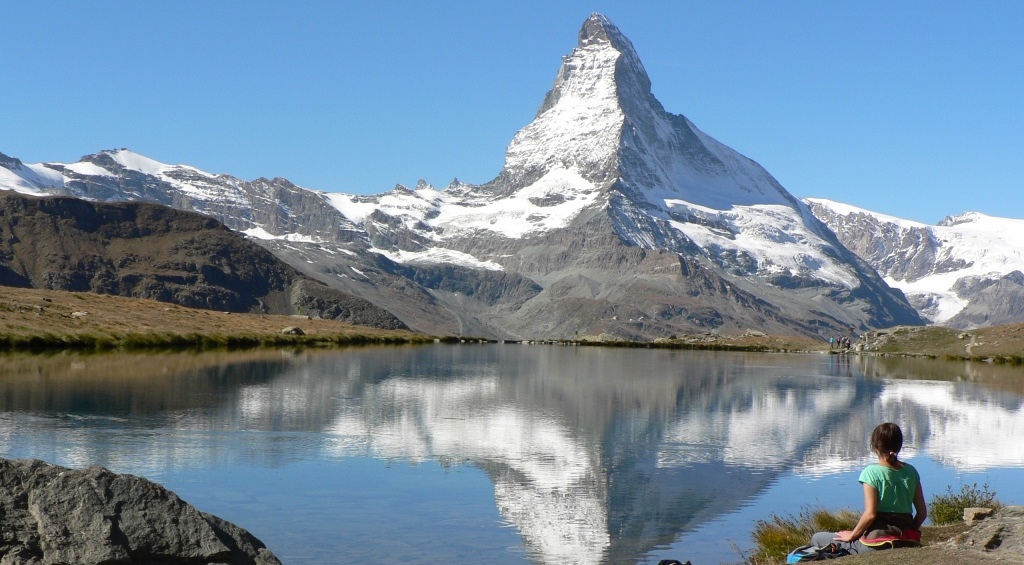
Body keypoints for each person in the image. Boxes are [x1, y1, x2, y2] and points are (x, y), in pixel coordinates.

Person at [809, 422, 927, 555]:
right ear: (899, 446)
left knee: (817, 538)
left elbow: (870, 514)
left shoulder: (871, 472)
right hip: (909, 540)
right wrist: (908, 533)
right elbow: (922, 513)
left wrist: (853, 535)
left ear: (875, 446)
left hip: (878, 543)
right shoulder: (911, 472)